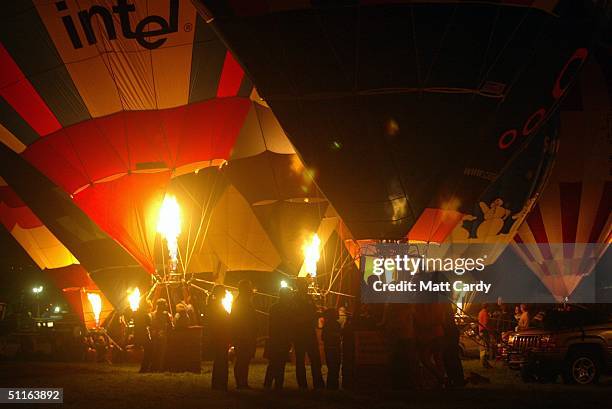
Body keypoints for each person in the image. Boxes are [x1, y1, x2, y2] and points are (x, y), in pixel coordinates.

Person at [293, 279, 325, 389]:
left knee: (315, 358)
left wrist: (318, 313)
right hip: (300, 333)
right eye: (304, 285)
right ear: (299, 286)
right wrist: (311, 316)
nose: (306, 287)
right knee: (300, 360)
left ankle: (318, 383)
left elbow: (312, 311)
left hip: (309, 332)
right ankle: (302, 385)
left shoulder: (308, 298)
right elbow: (297, 316)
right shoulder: (295, 299)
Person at [264, 287, 294, 390]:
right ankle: (275, 384)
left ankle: (272, 384)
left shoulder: (275, 307)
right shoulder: (283, 309)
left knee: (276, 363)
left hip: (277, 338)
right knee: (277, 363)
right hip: (279, 338)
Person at [231, 280, 258, 389]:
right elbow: (240, 320)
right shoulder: (241, 302)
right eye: (249, 288)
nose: (251, 290)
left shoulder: (244, 301)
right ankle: (240, 383)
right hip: (243, 335)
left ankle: (243, 382)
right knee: (242, 358)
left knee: (245, 359)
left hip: (246, 334)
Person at [208, 285, 230, 390]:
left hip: (219, 335)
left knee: (220, 359)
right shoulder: (216, 305)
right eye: (224, 292)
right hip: (220, 335)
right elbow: (221, 320)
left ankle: (218, 383)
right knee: (221, 360)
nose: (226, 293)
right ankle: (220, 383)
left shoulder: (214, 304)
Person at [149, 298, 173, 371]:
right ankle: (158, 368)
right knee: (160, 353)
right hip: (161, 335)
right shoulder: (166, 314)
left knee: (155, 353)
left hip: (155, 335)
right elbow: (171, 326)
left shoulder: (152, 314)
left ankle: (154, 368)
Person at [322, 308, 342, 390]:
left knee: (332, 368)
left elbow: (323, 337)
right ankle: (333, 387)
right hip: (333, 348)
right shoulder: (334, 324)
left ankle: (331, 386)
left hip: (330, 348)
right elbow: (324, 337)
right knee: (334, 368)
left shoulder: (328, 324)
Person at [134, 298, 153, 373]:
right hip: (144, 334)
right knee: (149, 351)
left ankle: (144, 368)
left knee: (147, 351)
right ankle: (145, 368)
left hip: (139, 334)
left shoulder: (137, 313)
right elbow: (149, 324)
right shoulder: (145, 315)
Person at [478, 304, 492, 369]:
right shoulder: (485, 313)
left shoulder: (480, 312)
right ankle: (485, 363)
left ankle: (484, 363)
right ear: (487, 307)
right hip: (484, 332)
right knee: (485, 347)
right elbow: (486, 323)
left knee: (482, 347)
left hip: (481, 331)